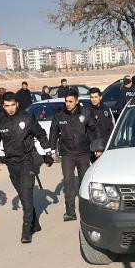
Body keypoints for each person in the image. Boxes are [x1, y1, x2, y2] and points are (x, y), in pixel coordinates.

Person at [0, 92, 53, 243]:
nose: (10, 108)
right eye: (7, 106)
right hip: (11, 163)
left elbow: (41, 134)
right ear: (3, 106)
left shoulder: (27, 117)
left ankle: (26, 229)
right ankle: (35, 223)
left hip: (27, 160)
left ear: (17, 104)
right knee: (24, 196)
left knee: (25, 193)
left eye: (12, 105)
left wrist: (48, 152)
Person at [49, 89, 102, 221]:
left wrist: (98, 147)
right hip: (67, 154)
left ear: (77, 101)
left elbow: (95, 130)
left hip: (83, 153)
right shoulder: (59, 116)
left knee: (84, 181)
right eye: (66, 101)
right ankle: (70, 212)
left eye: (71, 101)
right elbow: (53, 133)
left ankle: (87, 210)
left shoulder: (86, 113)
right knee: (68, 182)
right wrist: (51, 150)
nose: (68, 104)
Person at [88, 87, 114, 162]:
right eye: (92, 97)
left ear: (100, 97)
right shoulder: (87, 111)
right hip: (95, 150)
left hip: (108, 146)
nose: (94, 99)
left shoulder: (107, 109)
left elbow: (112, 125)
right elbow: (89, 132)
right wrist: (97, 148)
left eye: (96, 97)